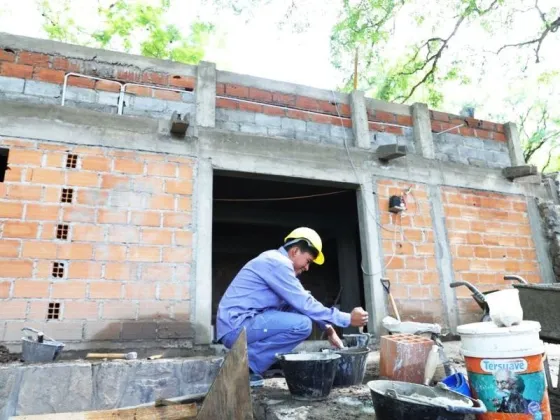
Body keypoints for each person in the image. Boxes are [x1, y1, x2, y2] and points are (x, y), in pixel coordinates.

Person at [216, 227, 369, 387]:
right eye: (308, 261)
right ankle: (243, 368)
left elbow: (300, 304)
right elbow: (305, 302)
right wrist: (347, 318)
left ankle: (257, 360)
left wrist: (328, 329)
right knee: (302, 325)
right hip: (236, 327)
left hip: (241, 325)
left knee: (298, 311)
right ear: (295, 251)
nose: (307, 268)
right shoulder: (277, 263)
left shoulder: (275, 263)